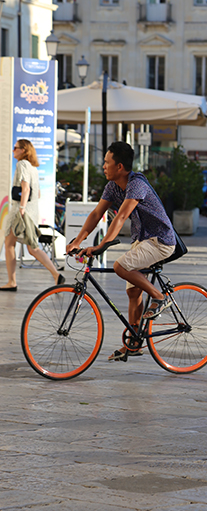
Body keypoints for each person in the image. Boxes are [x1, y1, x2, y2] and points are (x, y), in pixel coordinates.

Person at [66, 141, 177, 361]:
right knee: (133, 292)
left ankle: (159, 296)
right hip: (142, 241)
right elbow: (96, 214)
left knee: (120, 266)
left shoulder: (137, 184)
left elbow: (121, 217)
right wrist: (77, 241)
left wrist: (101, 245)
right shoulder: (113, 186)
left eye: (107, 162)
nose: (103, 166)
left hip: (160, 241)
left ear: (119, 166)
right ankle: (134, 343)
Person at [1, 139, 64, 291]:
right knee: (33, 248)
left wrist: (21, 208)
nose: (13, 150)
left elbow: (26, 188)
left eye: (15, 148)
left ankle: (12, 282)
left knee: (9, 244)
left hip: (19, 212)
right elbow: (38, 193)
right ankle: (56, 274)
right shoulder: (33, 168)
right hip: (32, 213)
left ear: (23, 150)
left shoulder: (22, 164)